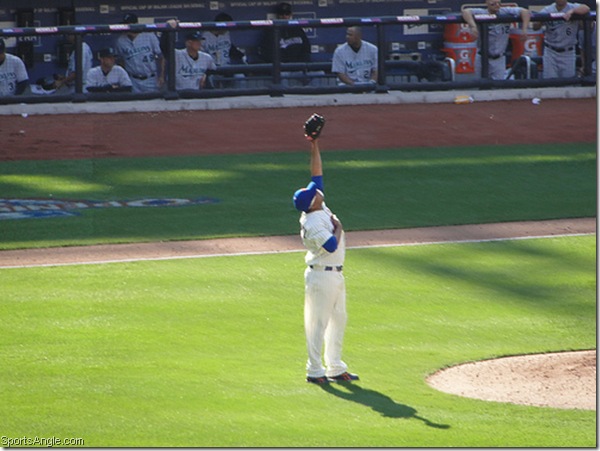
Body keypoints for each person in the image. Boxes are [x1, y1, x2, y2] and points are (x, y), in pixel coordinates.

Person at [292, 114, 359, 385]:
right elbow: (331, 244)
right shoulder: (314, 222)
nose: (319, 190)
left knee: (338, 320)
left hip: (334, 275)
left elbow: (316, 174)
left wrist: (314, 143)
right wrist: (339, 226)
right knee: (317, 324)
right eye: (315, 192)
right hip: (321, 276)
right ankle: (314, 370)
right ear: (312, 203)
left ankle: (334, 366)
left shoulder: (316, 204)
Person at [462, 0, 531, 80]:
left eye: (499, 3)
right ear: (487, 3)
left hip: (499, 58)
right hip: (482, 57)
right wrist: (473, 26)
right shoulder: (482, 12)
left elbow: (525, 12)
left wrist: (524, 29)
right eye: (493, 3)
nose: (497, 5)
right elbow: (465, 12)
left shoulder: (505, 12)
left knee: (499, 87)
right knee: (480, 85)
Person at [532, 0, 590, 78]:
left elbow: (586, 8)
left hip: (568, 52)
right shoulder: (548, 9)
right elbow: (535, 26)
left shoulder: (572, 7)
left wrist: (572, 12)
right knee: (549, 83)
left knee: (568, 83)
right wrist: (540, 21)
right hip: (550, 52)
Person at [115, 13, 165, 93]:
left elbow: (161, 57)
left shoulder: (149, 35)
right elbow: (121, 62)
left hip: (150, 78)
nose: (125, 27)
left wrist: (162, 76)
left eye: (128, 25)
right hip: (132, 80)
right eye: (125, 25)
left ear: (135, 24)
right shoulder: (121, 41)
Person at [202, 12, 246, 88]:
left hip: (227, 67)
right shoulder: (205, 36)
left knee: (240, 77)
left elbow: (231, 48)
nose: (228, 29)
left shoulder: (226, 34)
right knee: (211, 79)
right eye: (226, 27)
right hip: (212, 69)